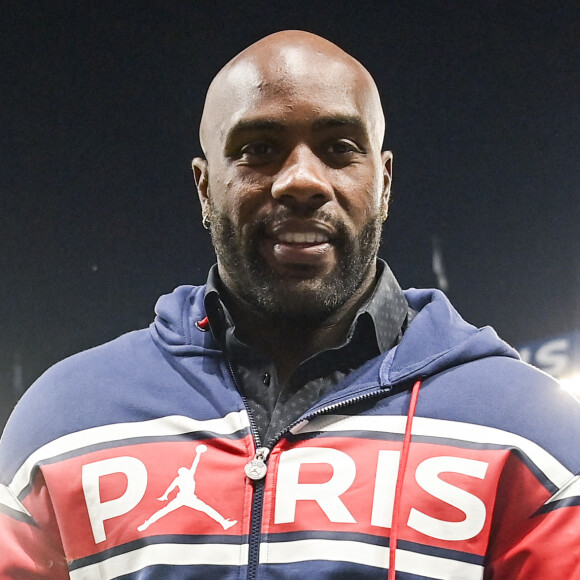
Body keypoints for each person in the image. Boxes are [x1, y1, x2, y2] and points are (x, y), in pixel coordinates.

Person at [0, 30, 579, 580]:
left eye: (339, 148)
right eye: (259, 149)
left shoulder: (526, 431)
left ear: (384, 182)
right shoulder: (65, 421)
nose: (301, 180)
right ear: (205, 186)